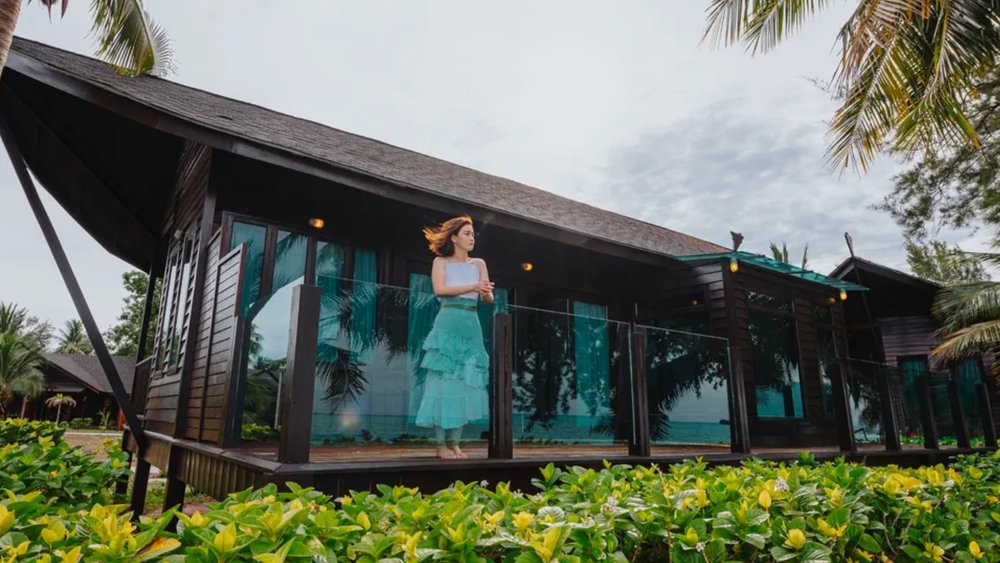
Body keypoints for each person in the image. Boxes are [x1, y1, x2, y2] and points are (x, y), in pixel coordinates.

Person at [415, 215, 494, 459]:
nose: (472, 238)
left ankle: (456, 444)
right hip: (448, 321)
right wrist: (473, 287)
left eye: (473, 234)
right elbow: (440, 290)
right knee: (442, 382)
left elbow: (487, 300)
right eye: (467, 233)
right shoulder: (441, 262)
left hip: (471, 323)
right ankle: (440, 446)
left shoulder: (478, 263)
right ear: (454, 237)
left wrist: (487, 292)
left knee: (464, 382)